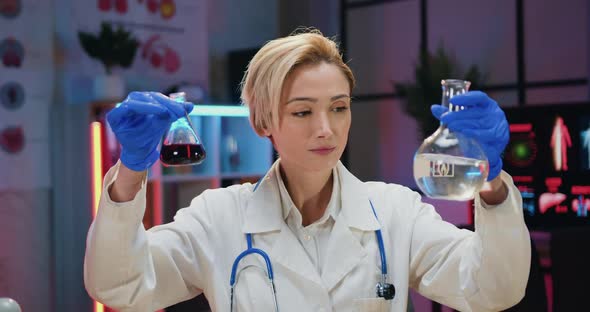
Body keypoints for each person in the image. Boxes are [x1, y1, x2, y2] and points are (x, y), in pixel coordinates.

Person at [84, 29, 531, 312]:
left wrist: (489, 182)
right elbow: (121, 287)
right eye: (302, 112)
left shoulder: (396, 213)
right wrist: (129, 171)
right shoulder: (217, 218)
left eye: (339, 108)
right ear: (263, 122)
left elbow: (492, 290)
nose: (326, 129)